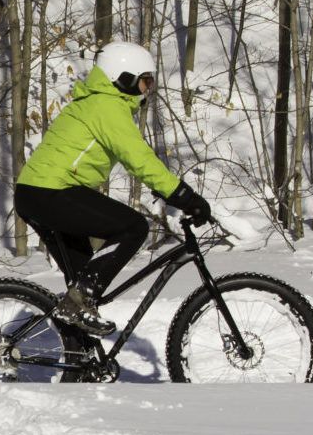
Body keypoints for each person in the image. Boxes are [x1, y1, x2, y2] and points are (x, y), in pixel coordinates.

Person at [14, 41, 212, 337]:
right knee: (133, 227)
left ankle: (78, 361)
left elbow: (137, 160)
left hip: (41, 193)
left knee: (81, 291)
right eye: (146, 81)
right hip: (50, 192)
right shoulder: (106, 106)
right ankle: (78, 305)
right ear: (124, 77)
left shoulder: (100, 103)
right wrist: (184, 197)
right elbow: (139, 159)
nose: (148, 89)